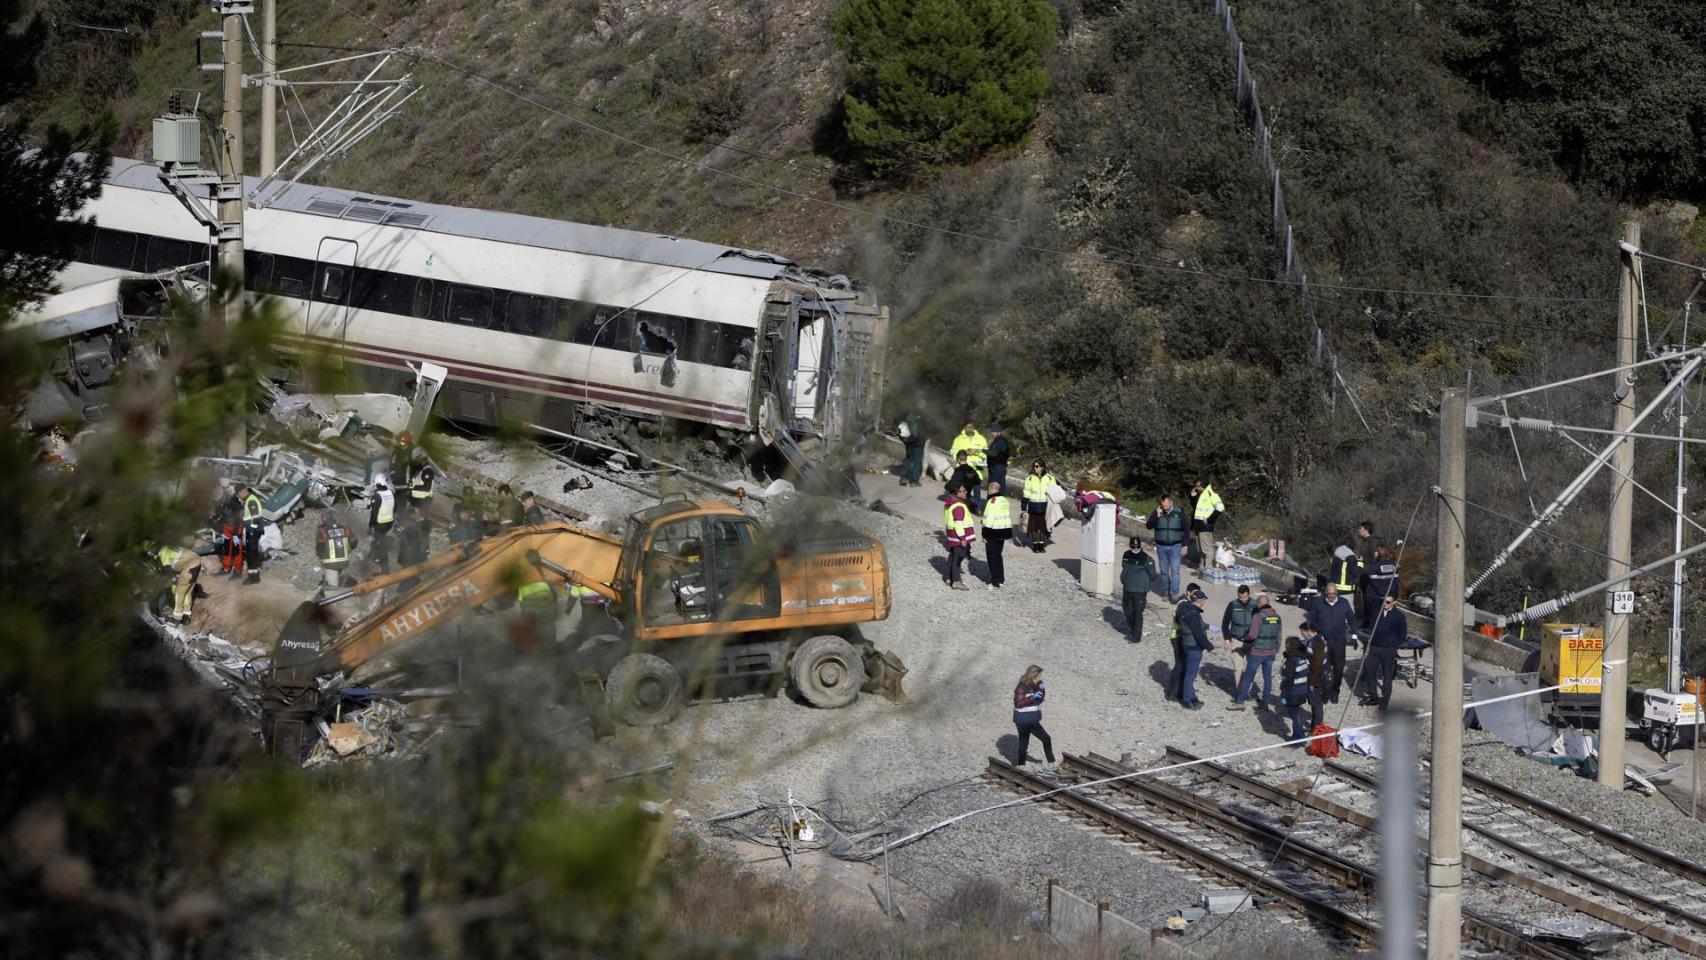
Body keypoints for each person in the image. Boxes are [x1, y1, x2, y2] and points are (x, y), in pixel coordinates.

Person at [1307, 582, 1357, 703]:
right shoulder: (1318, 603)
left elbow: (1351, 619)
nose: (1332, 596)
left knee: (1338, 669)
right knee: (1324, 668)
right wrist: (1318, 632)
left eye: (1334, 593)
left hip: (1339, 641)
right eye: (1329, 594)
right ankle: (1325, 692)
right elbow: (1311, 621)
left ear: (1337, 592)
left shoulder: (1344, 603)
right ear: (1325, 593)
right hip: (1324, 641)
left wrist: (1354, 635)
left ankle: (1335, 691)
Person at [1231, 594, 1282, 710]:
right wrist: (1277, 649)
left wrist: (1244, 639)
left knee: (1248, 676)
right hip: (1271, 652)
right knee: (1267, 677)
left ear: (1259, 604)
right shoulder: (1277, 617)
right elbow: (1279, 636)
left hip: (1258, 652)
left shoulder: (1258, 616)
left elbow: (1253, 635)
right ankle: (1265, 702)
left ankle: (1240, 701)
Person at [1361, 595, 1408, 710]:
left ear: (1394, 602)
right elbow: (1371, 627)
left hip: (1389, 649)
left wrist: (1393, 644)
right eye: (1383, 601)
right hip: (1375, 647)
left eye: (1387, 602)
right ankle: (1373, 696)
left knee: (1387, 675)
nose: (1385, 604)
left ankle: (1385, 700)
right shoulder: (1377, 613)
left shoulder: (1399, 616)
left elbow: (1402, 633)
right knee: (1369, 671)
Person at [1171, 586, 1213, 709]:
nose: (1204, 602)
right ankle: (1189, 700)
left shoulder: (1184, 608)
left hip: (1185, 643)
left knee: (1186, 671)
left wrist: (1208, 626)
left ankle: (1183, 694)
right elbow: (1197, 632)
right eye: (1204, 600)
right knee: (1191, 674)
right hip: (1194, 647)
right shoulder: (1194, 614)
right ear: (1200, 601)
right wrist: (1209, 647)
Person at [149, 541, 203, 624]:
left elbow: (168, 570)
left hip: (190, 566)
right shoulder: (169, 547)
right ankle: (186, 615)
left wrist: (173, 584)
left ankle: (177, 617)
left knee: (179, 591)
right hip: (196, 561)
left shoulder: (163, 552)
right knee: (187, 591)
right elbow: (176, 564)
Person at [1011, 664, 1055, 766]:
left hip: (1032, 719)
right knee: (1024, 744)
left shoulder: (1037, 685)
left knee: (1046, 738)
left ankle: (1051, 762)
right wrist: (1032, 697)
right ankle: (1021, 765)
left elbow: (1039, 700)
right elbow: (1018, 703)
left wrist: (1042, 690)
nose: (1040, 678)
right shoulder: (1021, 687)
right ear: (1032, 676)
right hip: (1022, 720)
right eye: (1039, 676)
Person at [1146, 494, 1188, 600]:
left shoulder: (1179, 513)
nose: (1164, 508)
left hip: (1176, 546)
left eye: (1166, 505)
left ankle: (1174, 593)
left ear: (1171, 503)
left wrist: (1185, 545)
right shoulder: (1157, 512)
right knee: (1164, 571)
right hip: (1161, 546)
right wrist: (1157, 516)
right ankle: (1166, 591)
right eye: (1162, 505)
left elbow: (1186, 529)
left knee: (1175, 570)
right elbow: (1149, 525)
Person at [1120, 538, 1157, 641]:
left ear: (1140, 546)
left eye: (1137, 547)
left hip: (1140, 590)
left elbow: (1153, 574)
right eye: (1133, 547)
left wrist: (1142, 580)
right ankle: (1132, 629)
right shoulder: (1126, 555)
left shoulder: (1147, 559)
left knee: (1137, 612)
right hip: (1127, 588)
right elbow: (1124, 567)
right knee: (1127, 610)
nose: (1135, 549)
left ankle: (1136, 636)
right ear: (1130, 546)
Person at [1279, 636, 1314, 743]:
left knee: (1294, 714)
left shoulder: (1291, 661)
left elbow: (1288, 680)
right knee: (1295, 713)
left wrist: (1284, 695)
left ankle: (1298, 737)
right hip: (1302, 690)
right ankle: (1299, 736)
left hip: (1293, 692)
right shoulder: (1303, 658)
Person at [942, 483, 976, 591]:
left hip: (952, 536)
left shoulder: (949, 503)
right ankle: (956, 581)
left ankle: (948, 577)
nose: (966, 492)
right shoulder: (959, 506)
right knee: (958, 559)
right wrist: (962, 538)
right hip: (959, 537)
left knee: (952, 556)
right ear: (956, 493)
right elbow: (958, 523)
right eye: (963, 491)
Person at [1361, 544, 1401, 633]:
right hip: (1389, 597)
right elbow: (1396, 582)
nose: (1374, 553)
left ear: (1380, 553)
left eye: (1375, 551)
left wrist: (1383, 595)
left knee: (1375, 620)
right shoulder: (1393, 565)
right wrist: (1392, 595)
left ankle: (1374, 639)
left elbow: (1375, 583)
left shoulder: (1374, 566)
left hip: (1374, 597)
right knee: (1387, 618)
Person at [1189, 479, 1224, 571]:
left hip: (1205, 527)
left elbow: (1220, 507)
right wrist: (1193, 496)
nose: (1195, 488)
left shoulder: (1210, 494)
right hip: (1198, 526)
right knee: (1200, 550)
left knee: (1207, 550)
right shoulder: (1202, 494)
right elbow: (1196, 507)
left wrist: (1210, 519)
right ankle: (1201, 568)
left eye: (1197, 486)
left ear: (1203, 486)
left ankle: (1208, 570)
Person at [516, 573, 559, 648]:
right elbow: (553, 597)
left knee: (536, 630)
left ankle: (539, 646)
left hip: (532, 613)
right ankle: (551, 645)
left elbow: (521, 603)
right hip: (546, 611)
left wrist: (524, 617)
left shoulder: (522, 587)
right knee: (549, 628)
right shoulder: (543, 583)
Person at [981, 481, 1011, 589]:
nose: (987, 491)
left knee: (992, 557)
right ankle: (1001, 579)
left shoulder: (992, 501)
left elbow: (988, 519)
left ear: (991, 488)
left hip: (993, 533)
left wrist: (984, 535)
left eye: (988, 489)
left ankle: (995, 581)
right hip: (1003, 532)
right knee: (998, 556)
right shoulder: (1005, 500)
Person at [1021, 459, 1056, 552]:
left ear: (1042, 467)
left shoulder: (1050, 478)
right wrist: (1024, 506)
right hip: (1033, 505)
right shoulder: (1030, 478)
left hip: (1045, 505)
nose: (1035, 468)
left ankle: (1041, 544)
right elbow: (1026, 492)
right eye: (1034, 466)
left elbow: (1054, 492)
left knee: (1042, 526)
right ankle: (1035, 544)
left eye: (1037, 466)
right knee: (1033, 526)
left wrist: (1054, 504)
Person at [315, 516, 356, 587]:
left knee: (333, 586)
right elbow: (354, 541)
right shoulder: (345, 529)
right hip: (344, 561)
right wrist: (347, 550)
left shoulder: (323, 531)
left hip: (330, 562)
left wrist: (320, 556)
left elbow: (320, 548)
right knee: (337, 576)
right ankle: (338, 586)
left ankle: (333, 594)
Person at [368, 476, 397, 574]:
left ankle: (382, 569)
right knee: (380, 542)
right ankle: (381, 566)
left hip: (380, 523)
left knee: (379, 545)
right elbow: (395, 508)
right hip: (389, 522)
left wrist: (370, 526)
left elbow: (374, 512)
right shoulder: (391, 493)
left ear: (377, 484)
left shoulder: (377, 496)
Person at [241, 484, 266, 586]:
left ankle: (253, 578)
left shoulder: (251, 500)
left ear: (243, 492)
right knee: (252, 553)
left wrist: (251, 531)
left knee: (251, 554)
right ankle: (254, 574)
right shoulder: (250, 498)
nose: (239, 496)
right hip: (255, 531)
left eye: (239, 494)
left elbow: (255, 517)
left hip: (253, 531)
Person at [217, 485, 245, 577]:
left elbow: (237, 518)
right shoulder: (230, 501)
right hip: (230, 527)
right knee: (229, 548)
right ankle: (229, 568)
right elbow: (225, 514)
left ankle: (235, 570)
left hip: (233, 527)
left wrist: (236, 533)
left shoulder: (234, 501)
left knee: (234, 549)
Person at [1221, 585, 1258, 651]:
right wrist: (1227, 639)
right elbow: (1225, 623)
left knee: (1250, 661)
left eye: (1245, 597)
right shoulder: (1232, 604)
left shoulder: (1255, 604)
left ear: (1249, 594)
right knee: (1237, 661)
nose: (1243, 600)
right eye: (1240, 597)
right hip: (1236, 640)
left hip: (1252, 641)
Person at [396, 501, 430, 570]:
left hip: (411, 553)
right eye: (418, 514)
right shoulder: (410, 525)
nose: (420, 516)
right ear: (412, 514)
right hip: (410, 554)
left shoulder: (412, 523)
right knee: (408, 569)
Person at [897, 412, 925, 486]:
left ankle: (903, 478)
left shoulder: (908, 417)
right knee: (917, 462)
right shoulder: (923, 418)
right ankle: (914, 481)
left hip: (908, 443)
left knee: (908, 459)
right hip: (918, 444)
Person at [985, 423, 1012, 495]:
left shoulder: (999, 441)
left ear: (999, 432)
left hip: (997, 468)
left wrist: (982, 450)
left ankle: (993, 503)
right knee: (1000, 487)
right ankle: (1000, 502)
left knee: (994, 488)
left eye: (994, 431)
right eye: (992, 431)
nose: (992, 433)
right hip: (998, 467)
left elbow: (994, 453)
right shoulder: (999, 441)